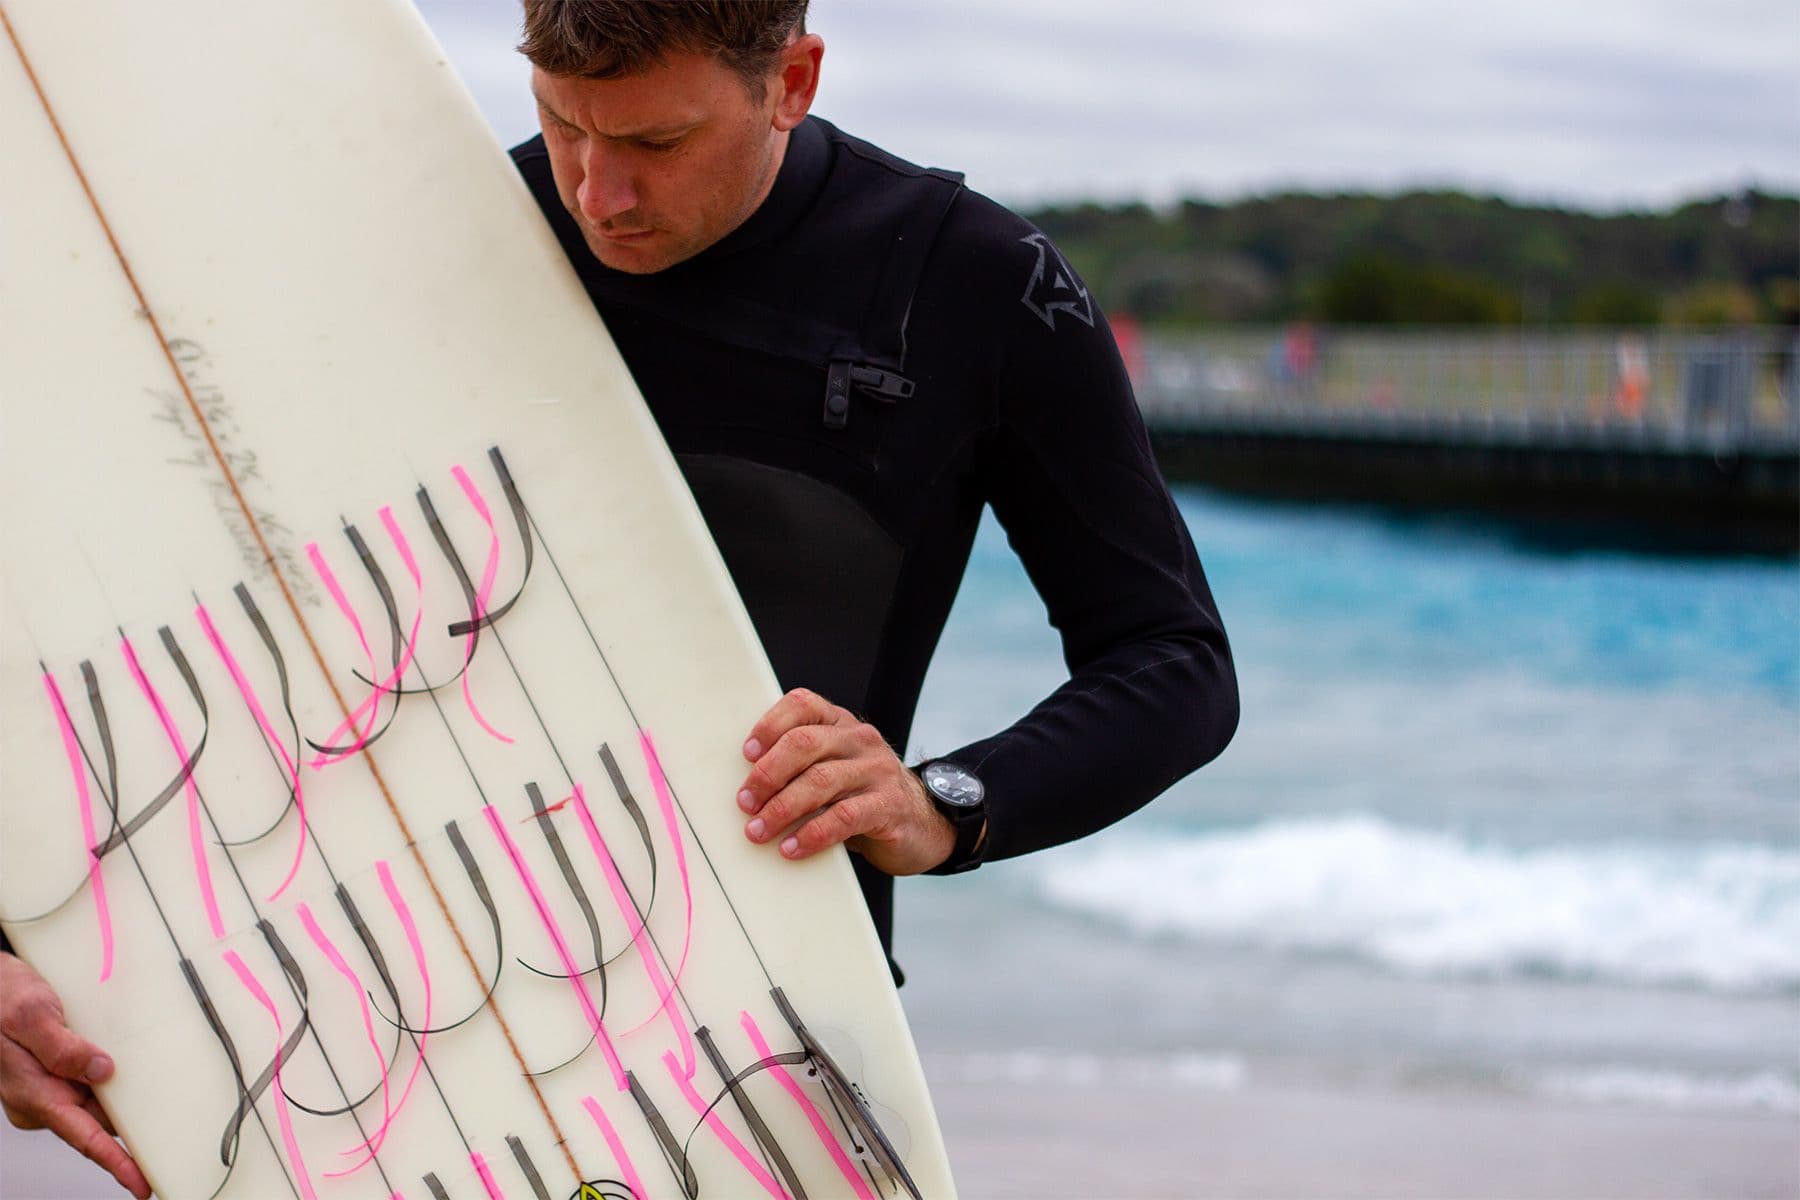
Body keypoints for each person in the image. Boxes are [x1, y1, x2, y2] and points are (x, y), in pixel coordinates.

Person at [0, 4, 1237, 1195]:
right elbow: (127, 615)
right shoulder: (436, 239)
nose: (596, 193)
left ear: (792, 82)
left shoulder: (967, 284)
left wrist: (944, 806)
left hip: (747, 1066)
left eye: (655, 142)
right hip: (342, 1073)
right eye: (562, 123)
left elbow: (1173, 660)